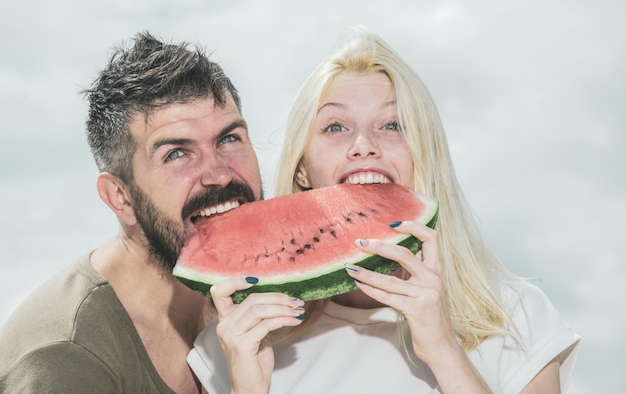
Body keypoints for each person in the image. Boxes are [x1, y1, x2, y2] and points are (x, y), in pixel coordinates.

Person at [188, 30, 581, 393]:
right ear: (303, 169)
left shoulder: (517, 318)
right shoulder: (236, 341)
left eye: (392, 124)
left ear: (423, 154)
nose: (364, 145)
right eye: (336, 127)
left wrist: (445, 350)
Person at [0, 31, 291, 393]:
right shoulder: (66, 358)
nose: (219, 173)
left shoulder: (258, 298)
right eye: (176, 154)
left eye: (229, 138)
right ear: (121, 197)